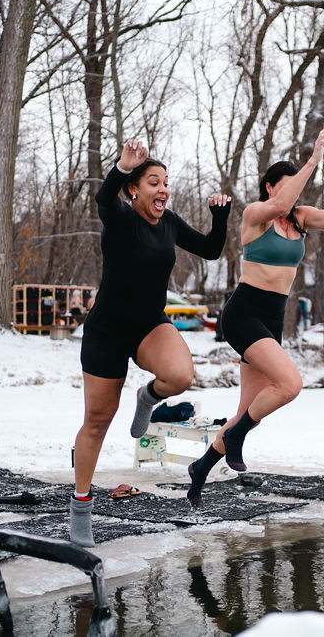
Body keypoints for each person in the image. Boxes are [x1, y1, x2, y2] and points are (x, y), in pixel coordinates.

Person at [71, 139, 231, 546]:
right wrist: (122, 166)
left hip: (148, 326)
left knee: (180, 375)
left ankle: (147, 397)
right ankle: (81, 507)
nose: (163, 190)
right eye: (154, 182)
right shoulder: (120, 217)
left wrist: (220, 217)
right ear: (134, 189)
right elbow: (103, 197)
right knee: (97, 421)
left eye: (166, 183)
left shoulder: (171, 222)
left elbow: (211, 250)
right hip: (107, 329)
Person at [186, 126, 324, 507]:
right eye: (287, 184)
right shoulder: (257, 214)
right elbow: (278, 205)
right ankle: (237, 436)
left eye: (298, 184)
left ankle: (202, 467)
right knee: (290, 384)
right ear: (270, 186)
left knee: (250, 411)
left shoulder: (301, 218)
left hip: (272, 319)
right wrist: (312, 160)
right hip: (244, 313)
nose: (295, 192)